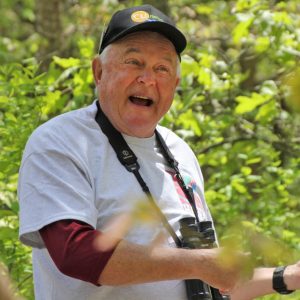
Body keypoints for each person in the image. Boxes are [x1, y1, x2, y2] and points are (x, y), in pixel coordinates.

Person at [18, 4, 300, 300]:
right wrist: (203, 264)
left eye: (162, 68)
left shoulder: (180, 153)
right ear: (98, 71)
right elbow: (75, 252)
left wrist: (288, 276)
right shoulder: (60, 141)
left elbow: (206, 281)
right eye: (134, 62)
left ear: (175, 85)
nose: (148, 79)